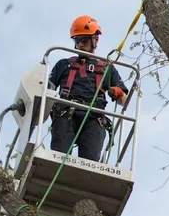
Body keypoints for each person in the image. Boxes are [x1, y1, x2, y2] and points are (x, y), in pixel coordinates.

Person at [47, 15, 129, 162]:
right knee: (58, 159)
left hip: (94, 119)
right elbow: (45, 92)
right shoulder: (63, 65)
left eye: (84, 40)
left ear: (95, 40)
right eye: (76, 40)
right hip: (66, 115)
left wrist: (118, 93)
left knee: (90, 164)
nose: (80, 45)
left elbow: (125, 101)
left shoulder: (106, 68)